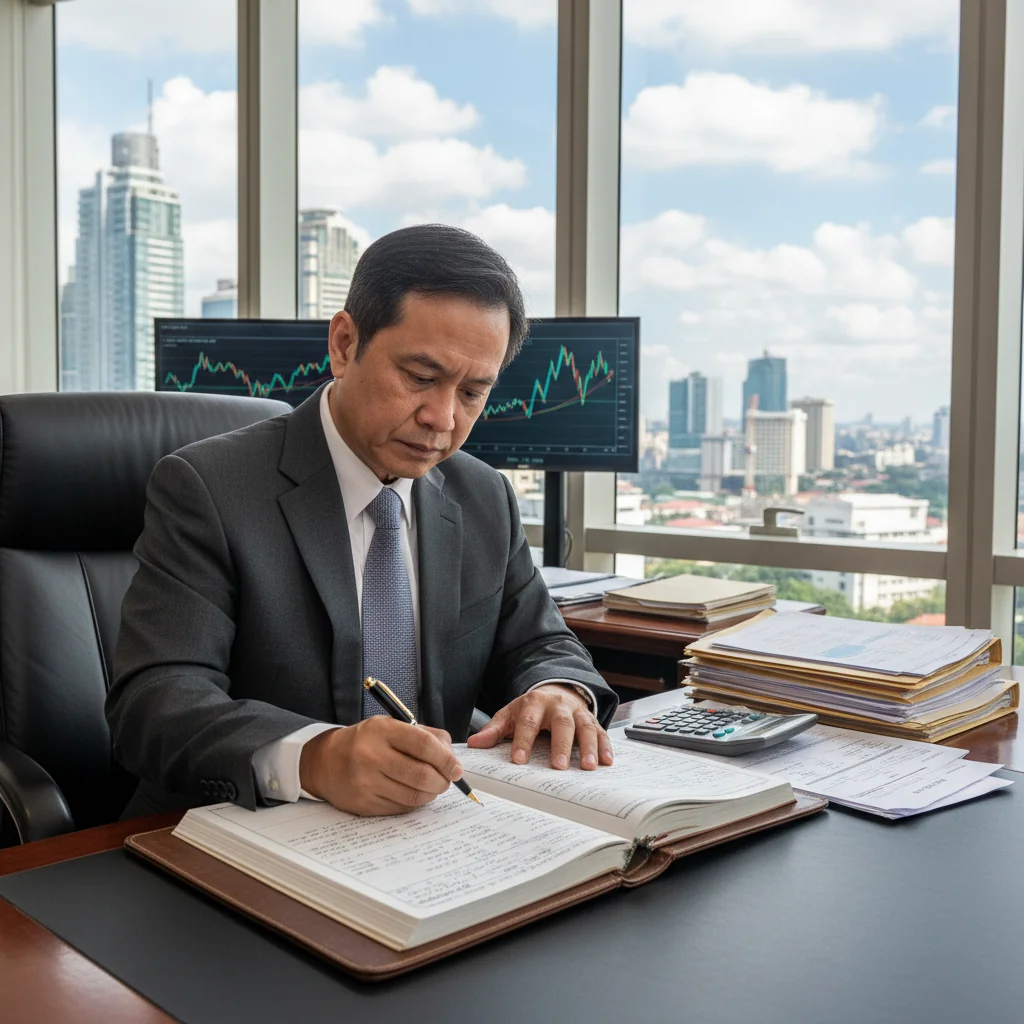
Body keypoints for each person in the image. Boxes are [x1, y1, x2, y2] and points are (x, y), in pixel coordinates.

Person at [107, 224, 618, 819]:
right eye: (421, 377)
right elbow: (154, 701)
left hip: (433, 833)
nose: (442, 419)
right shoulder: (209, 487)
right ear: (345, 344)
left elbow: (540, 640)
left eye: (474, 392)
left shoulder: (483, 495)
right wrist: (315, 757)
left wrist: (556, 689)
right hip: (241, 831)